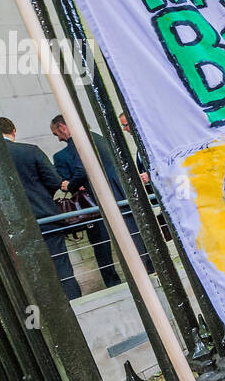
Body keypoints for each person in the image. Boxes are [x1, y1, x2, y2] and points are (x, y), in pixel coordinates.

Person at [50, 114, 151, 282]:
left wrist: (69, 185)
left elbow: (82, 171)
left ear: (62, 127)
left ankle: (125, 279)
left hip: (101, 201)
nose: (59, 139)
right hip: (120, 195)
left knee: (112, 242)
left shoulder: (76, 145)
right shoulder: (100, 138)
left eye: (56, 133)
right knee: (134, 236)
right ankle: (148, 270)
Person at [0, 117, 84, 300]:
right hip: (45, 219)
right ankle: (76, 304)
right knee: (61, 268)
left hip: (10, 227)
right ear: (13, 131)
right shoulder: (29, 151)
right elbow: (54, 182)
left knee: (30, 276)